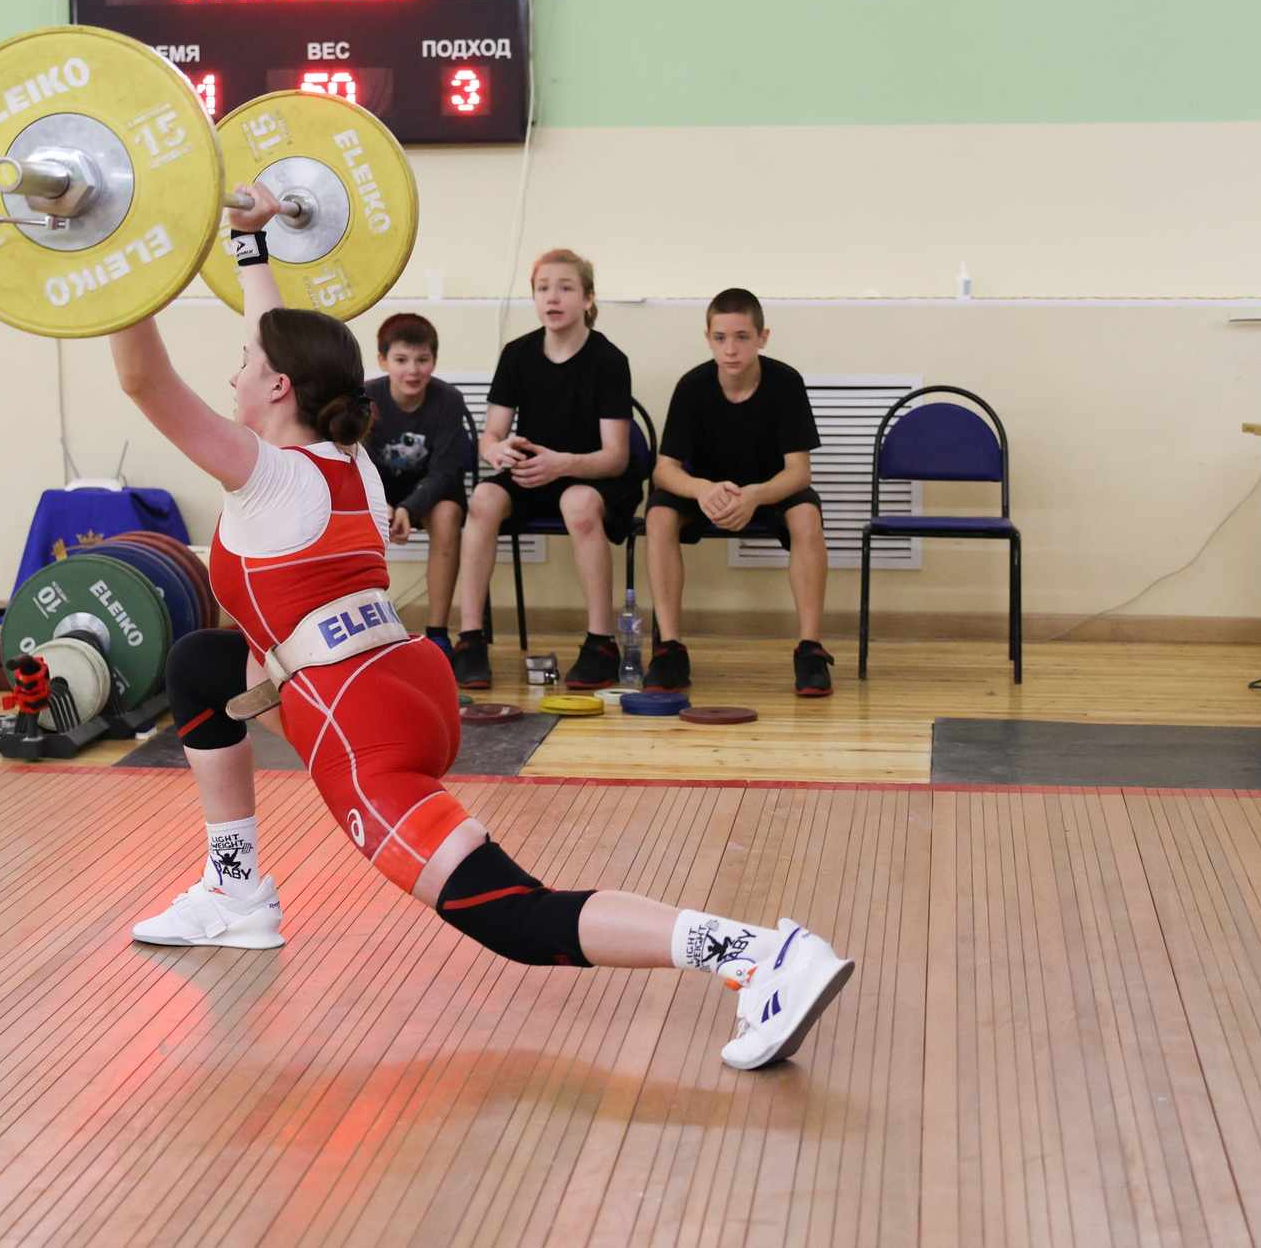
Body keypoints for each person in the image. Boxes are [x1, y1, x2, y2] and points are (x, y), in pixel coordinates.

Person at [106, 196, 854, 1070]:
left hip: (360, 725)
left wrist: (123, 264)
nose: (233, 372)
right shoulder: (341, 457)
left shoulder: (267, 475)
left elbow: (144, 381)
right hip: (409, 681)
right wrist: (248, 239)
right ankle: (234, 891)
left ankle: (760, 954)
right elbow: (280, 334)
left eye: (243, 362)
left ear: (278, 389)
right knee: (201, 665)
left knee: (511, 915)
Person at [450, 250, 644, 692]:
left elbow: (615, 456)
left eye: (565, 288)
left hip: (594, 474)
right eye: (543, 288)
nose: (552, 298)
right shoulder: (517, 353)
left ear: (588, 298)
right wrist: (499, 451)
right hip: (537, 470)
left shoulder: (609, 360)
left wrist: (562, 464)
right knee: (482, 499)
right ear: (534, 298)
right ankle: (471, 640)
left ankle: (601, 644)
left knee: (576, 503)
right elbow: (490, 437)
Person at [645, 289, 833, 696]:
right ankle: (669, 650)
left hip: (768, 489)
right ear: (708, 338)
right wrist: (700, 489)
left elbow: (799, 472)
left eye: (742, 337)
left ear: (763, 337)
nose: (731, 349)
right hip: (706, 489)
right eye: (720, 337)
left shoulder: (785, 383)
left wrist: (755, 495)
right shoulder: (692, 387)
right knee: (659, 514)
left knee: (806, 515)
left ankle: (810, 651)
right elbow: (664, 470)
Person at [364, 312, 470, 652]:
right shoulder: (366, 399)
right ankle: (367, 632)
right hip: (381, 486)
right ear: (382, 361)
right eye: (401, 360)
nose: (413, 370)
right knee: (353, 515)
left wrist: (409, 508)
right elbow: (359, 464)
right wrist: (385, 505)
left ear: (434, 361)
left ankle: (438, 631)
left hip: (432, 487)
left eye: (422, 359)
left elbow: (444, 472)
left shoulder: (449, 400)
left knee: (447, 517)